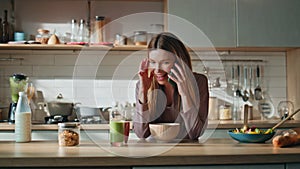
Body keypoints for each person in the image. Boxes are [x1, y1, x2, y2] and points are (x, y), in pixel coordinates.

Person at [133, 32, 209, 140]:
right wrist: (143, 92)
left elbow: (195, 133)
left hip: (188, 153)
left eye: (165, 62)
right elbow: (141, 134)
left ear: (180, 62)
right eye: (153, 62)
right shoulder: (143, 85)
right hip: (155, 152)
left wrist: (185, 93)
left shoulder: (199, 82)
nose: (157, 70)